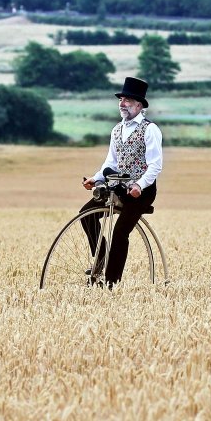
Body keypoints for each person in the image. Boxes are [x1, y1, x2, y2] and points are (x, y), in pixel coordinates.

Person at [80, 77, 162, 287]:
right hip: (118, 185)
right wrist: (95, 178)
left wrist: (139, 185)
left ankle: (111, 284)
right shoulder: (117, 130)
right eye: (121, 99)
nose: (122, 103)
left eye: (128, 100)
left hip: (140, 192)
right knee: (85, 216)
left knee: (120, 233)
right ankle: (101, 257)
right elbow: (111, 162)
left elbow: (155, 165)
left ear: (139, 105)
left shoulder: (150, 130)